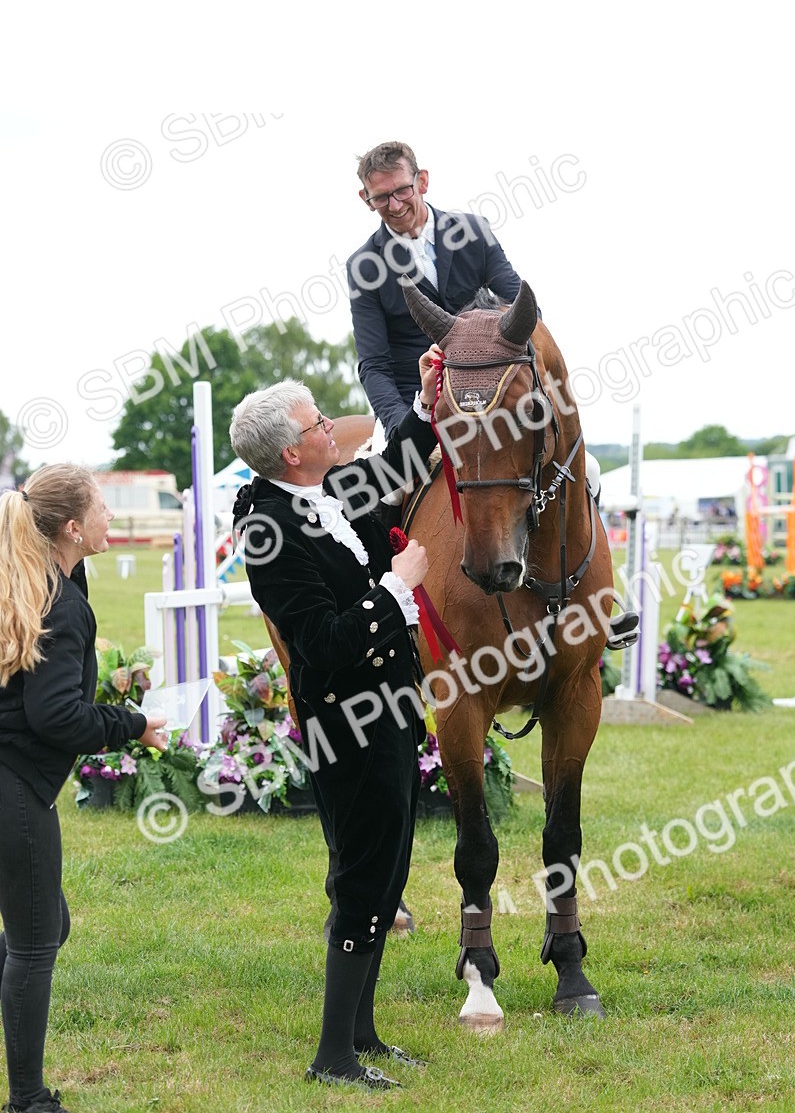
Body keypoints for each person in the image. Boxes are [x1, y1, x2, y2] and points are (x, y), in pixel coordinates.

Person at [229, 347, 440, 1091]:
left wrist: (427, 391)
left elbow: (400, 461)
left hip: (390, 710)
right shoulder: (271, 533)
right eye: (321, 422)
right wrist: (395, 587)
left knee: (390, 871)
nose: (333, 427)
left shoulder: (328, 489)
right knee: (361, 876)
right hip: (346, 720)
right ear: (294, 451)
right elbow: (319, 647)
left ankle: (363, 1031)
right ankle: (332, 1057)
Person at [0, 465, 168, 1113]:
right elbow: (56, 718)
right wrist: (133, 725)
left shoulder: (50, 579)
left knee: (46, 926)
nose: (110, 518)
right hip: (15, 788)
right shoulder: (59, 601)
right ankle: (27, 1101)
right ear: (72, 526)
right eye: (101, 507)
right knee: (37, 944)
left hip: (11, 778)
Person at [347, 140, 522, 446]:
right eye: (381, 198)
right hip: (415, 404)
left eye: (402, 191)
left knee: (587, 471)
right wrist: (401, 427)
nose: (396, 206)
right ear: (366, 198)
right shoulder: (363, 268)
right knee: (387, 495)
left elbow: (521, 310)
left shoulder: (474, 231)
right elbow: (373, 364)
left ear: (422, 181)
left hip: (489, 393)